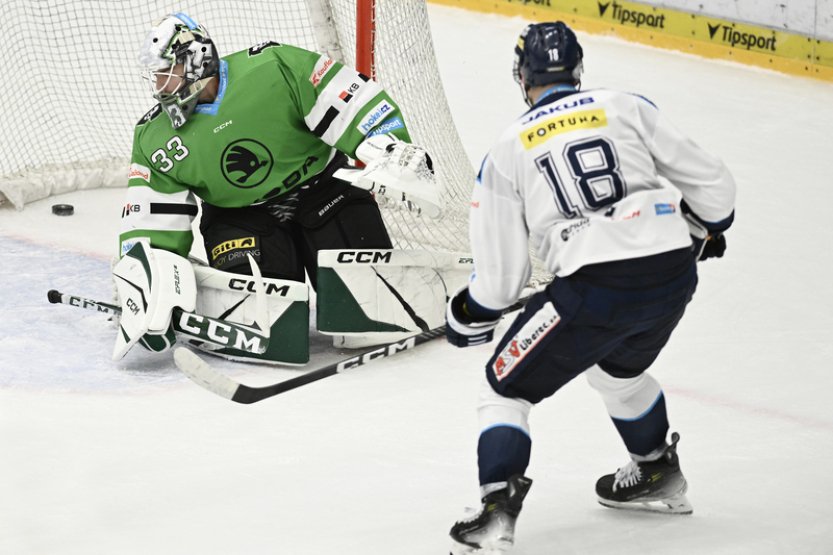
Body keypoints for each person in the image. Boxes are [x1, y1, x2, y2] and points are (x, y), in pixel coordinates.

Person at [445, 21, 736, 553]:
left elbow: (501, 283)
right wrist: (702, 229)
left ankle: (494, 515)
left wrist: (466, 313)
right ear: (578, 69)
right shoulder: (626, 106)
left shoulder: (507, 150)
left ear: (522, 77)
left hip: (595, 289)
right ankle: (656, 471)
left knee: (504, 389)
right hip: (672, 275)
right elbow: (715, 189)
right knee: (617, 371)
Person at [113, 12, 438, 359]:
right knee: (267, 331)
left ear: (196, 60)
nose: (159, 85)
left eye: (167, 71)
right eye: (156, 75)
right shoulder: (153, 138)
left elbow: (354, 102)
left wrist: (390, 147)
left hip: (324, 192)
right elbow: (151, 221)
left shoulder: (274, 67)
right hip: (240, 219)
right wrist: (142, 279)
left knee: (373, 314)